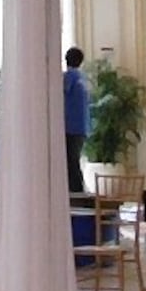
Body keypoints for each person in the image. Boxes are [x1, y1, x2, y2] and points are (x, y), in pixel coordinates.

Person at [62, 46, 93, 190]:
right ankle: (78, 190)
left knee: (71, 162)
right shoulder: (83, 77)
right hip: (82, 126)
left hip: (71, 126)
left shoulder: (69, 77)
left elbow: (60, 92)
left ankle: (77, 191)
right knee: (74, 160)